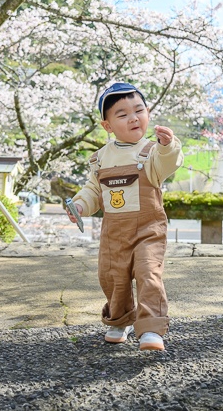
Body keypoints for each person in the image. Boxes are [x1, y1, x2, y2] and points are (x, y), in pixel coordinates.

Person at [66, 81, 183, 351]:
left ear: (148, 113)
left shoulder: (152, 152)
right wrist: (81, 206)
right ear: (107, 125)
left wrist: (168, 146)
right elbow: (94, 190)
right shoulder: (99, 159)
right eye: (122, 114)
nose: (133, 118)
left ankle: (151, 329)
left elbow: (169, 163)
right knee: (112, 277)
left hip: (148, 229)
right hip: (114, 233)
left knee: (148, 273)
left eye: (139, 110)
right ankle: (120, 320)